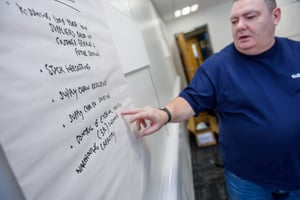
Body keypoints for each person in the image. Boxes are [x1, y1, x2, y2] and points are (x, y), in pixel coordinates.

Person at [122, 0, 300, 199]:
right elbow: (191, 99)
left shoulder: (297, 53)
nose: (240, 25)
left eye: (250, 17)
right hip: (248, 181)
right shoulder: (218, 66)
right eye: (234, 21)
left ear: (275, 16)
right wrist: (164, 113)